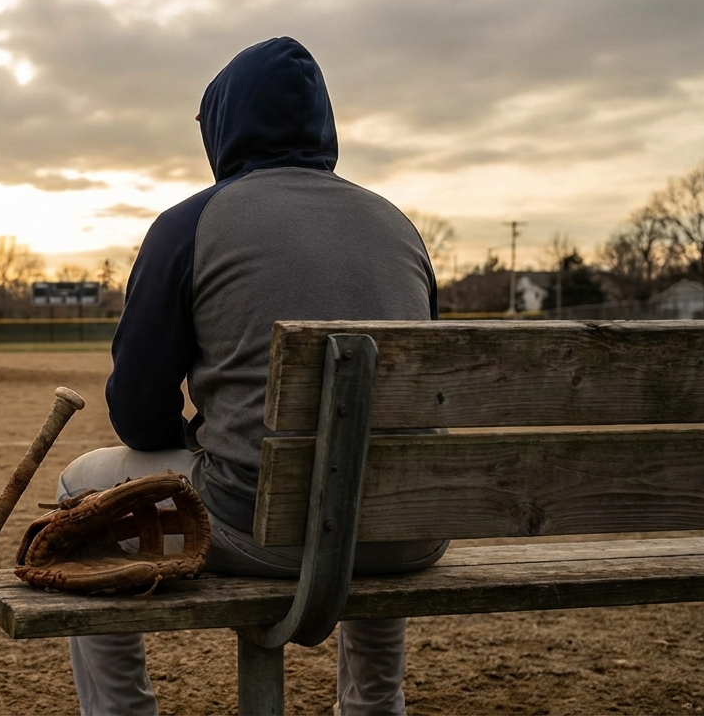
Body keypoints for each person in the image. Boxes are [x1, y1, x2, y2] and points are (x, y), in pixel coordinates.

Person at [57, 36, 448, 716]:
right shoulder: (398, 224)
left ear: (223, 125)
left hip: (258, 527)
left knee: (78, 484)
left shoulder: (191, 223)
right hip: (410, 529)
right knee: (370, 473)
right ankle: (375, 705)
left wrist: (200, 439)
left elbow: (138, 413)